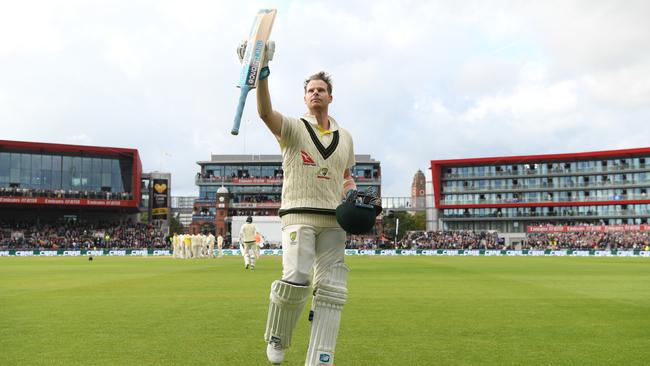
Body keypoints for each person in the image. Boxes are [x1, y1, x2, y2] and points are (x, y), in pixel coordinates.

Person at [243, 41, 361, 366]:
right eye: (310, 90)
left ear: (330, 96)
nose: (316, 94)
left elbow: (347, 176)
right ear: (305, 96)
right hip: (298, 214)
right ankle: (278, 336)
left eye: (321, 89)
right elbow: (265, 113)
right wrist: (263, 72)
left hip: (333, 220)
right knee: (296, 276)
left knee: (333, 289)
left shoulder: (346, 136)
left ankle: (321, 357)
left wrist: (353, 194)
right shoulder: (294, 128)